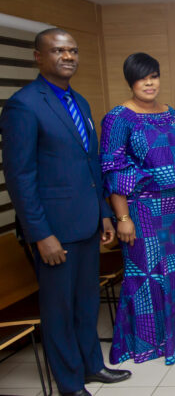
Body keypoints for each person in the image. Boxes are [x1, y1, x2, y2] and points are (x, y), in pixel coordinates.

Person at [0, 28, 131, 396]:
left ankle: (92, 366)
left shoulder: (80, 102)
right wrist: (41, 234)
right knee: (59, 311)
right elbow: (20, 177)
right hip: (54, 231)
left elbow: (91, 165)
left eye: (72, 50)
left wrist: (103, 213)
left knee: (86, 304)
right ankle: (70, 383)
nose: (68, 56)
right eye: (58, 51)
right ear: (38, 57)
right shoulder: (24, 105)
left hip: (87, 224)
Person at [101, 52, 175, 365]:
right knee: (147, 274)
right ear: (131, 82)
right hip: (142, 211)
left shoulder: (171, 114)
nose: (149, 84)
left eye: (153, 77)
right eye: (142, 79)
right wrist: (122, 217)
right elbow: (113, 171)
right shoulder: (118, 118)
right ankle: (149, 340)